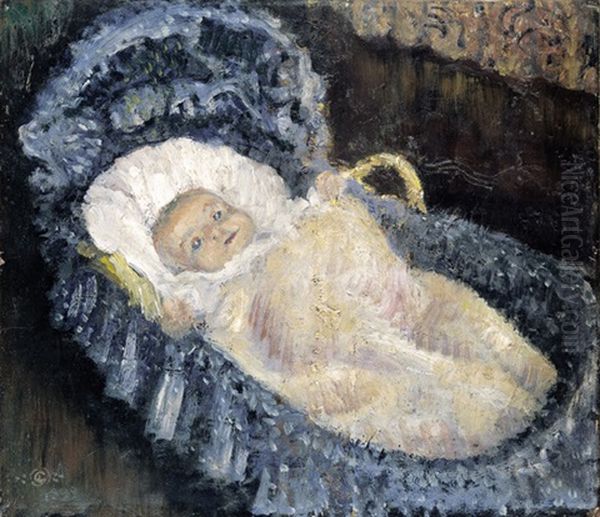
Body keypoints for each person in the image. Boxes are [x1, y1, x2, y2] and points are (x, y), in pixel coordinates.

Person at [151, 166, 557, 459]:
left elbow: (328, 219)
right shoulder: (213, 287)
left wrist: (329, 196)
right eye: (197, 243)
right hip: (318, 338)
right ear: (189, 269)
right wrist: (177, 317)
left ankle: (499, 364)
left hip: (372, 295)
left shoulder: (283, 223)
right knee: (383, 377)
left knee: (439, 310)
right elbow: (197, 322)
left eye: (218, 214)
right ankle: (473, 405)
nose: (217, 231)